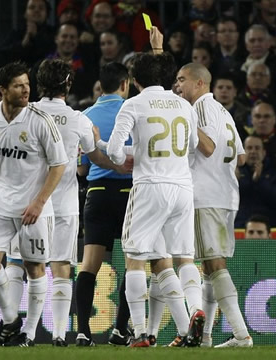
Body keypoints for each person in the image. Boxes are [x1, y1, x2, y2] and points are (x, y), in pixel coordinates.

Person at [3, 59, 129, 347]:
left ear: (38, 84)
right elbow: (93, 158)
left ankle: (16, 328)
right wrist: (119, 167)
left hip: (27, 202)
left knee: (17, 263)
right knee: (61, 266)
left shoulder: (23, 114)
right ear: (68, 85)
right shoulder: (79, 119)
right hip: (64, 203)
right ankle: (60, 334)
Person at [0, 61, 68, 346]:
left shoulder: (39, 120)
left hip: (33, 208)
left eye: (27, 85)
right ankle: (10, 321)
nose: (26, 90)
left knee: (34, 268)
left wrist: (39, 202)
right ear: (3, 90)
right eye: (19, 86)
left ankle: (28, 334)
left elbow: (59, 164)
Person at [106, 45, 199, 348]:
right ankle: (187, 329)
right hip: (182, 188)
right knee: (168, 261)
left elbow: (113, 151)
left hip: (150, 187)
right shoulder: (184, 105)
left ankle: (141, 332)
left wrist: (127, 157)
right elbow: (192, 144)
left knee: (133, 260)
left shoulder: (133, 105)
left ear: (134, 79)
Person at [175, 62, 252, 348]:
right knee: (209, 266)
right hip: (225, 195)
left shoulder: (199, 110)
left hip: (205, 196)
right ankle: (205, 337)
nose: (178, 86)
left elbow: (206, 147)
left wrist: (187, 123)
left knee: (214, 265)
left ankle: (242, 334)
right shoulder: (224, 111)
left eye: (182, 80)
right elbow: (241, 157)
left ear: (199, 83)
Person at [75, 62, 133, 347]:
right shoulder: (134, 112)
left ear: (101, 85)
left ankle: (83, 331)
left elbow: (81, 170)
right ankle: (121, 330)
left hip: (97, 193)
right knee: (132, 265)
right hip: (130, 193)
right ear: (125, 84)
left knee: (90, 265)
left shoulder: (86, 116)